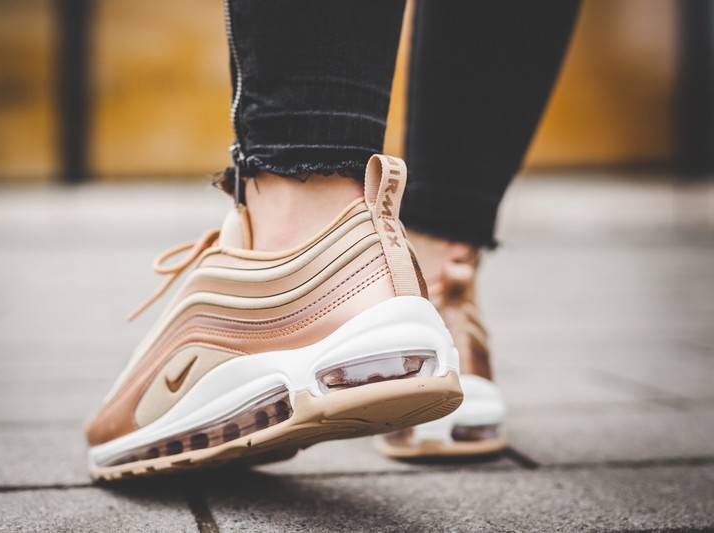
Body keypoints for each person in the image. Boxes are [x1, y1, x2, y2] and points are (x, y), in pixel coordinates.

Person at [84, 0, 579, 479]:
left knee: (301, 231)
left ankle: (295, 247)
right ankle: (441, 286)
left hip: (297, 296)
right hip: (394, 292)